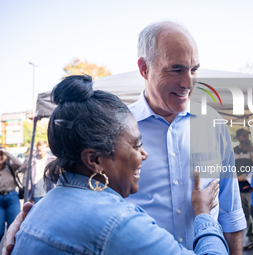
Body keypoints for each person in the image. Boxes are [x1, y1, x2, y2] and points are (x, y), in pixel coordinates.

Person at [7, 75, 227, 255]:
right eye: (136, 144)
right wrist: (203, 215)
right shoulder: (119, 223)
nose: (144, 154)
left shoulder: (37, 210)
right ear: (94, 160)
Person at [126, 21, 246, 254]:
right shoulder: (118, 128)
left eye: (194, 69)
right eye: (176, 69)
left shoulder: (213, 122)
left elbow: (230, 211)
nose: (188, 83)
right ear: (144, 68)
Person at [233, 129, 253, 251]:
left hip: (252, 188)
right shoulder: (234, 151)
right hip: (238, 189)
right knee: (244, 216)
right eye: (244, 136)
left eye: (247, 136)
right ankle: (250, 239)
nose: (246, 138)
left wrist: (245, 176)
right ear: (238, 137)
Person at [0, 147, 22, 240]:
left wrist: (6, 152)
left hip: (11, 198)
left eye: (1, 154)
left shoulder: (10, 166)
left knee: (13, 229)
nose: (0, 157)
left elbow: (19, 164)